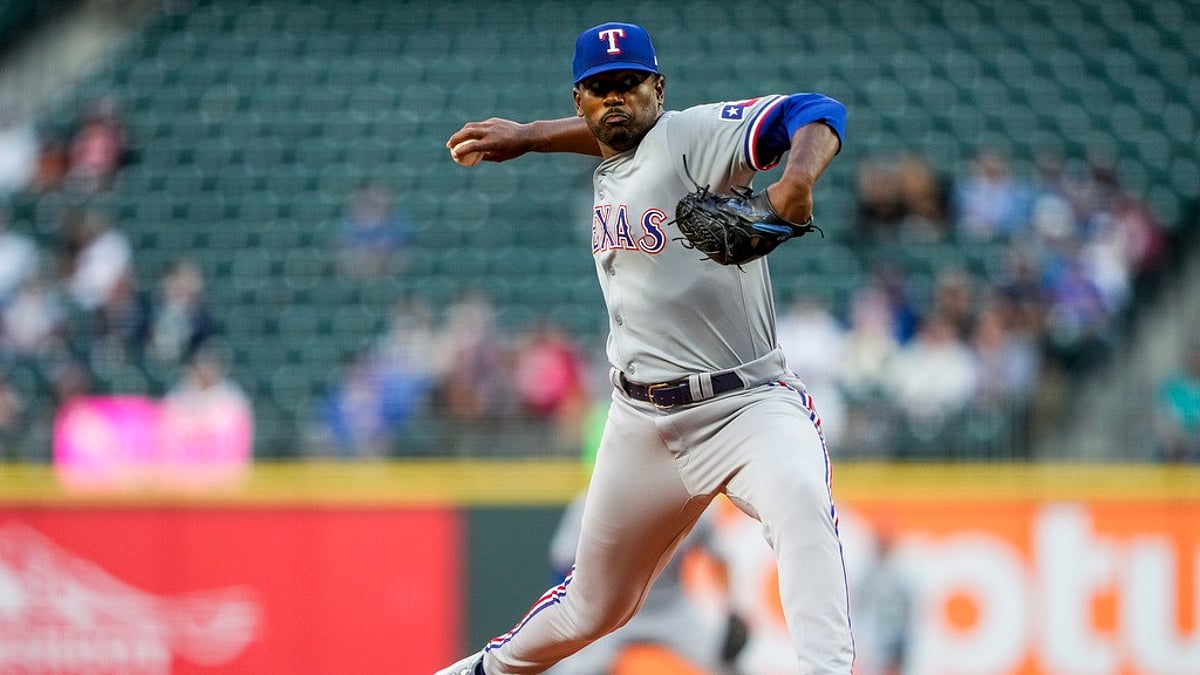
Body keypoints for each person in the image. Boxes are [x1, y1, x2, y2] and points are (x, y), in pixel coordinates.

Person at [438, 21, 852, 675]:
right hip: (643, 422)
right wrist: (527, 137)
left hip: (746, 404)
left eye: (628, 84)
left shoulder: (693, 135)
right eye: (598, 90)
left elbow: (817, 112)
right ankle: (482, 671)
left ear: (658, 88)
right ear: (580, 101)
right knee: (590, 608)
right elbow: (613, 132)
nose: (614, 100)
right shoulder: (615, 149)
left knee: (800, 498)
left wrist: (795, 179)